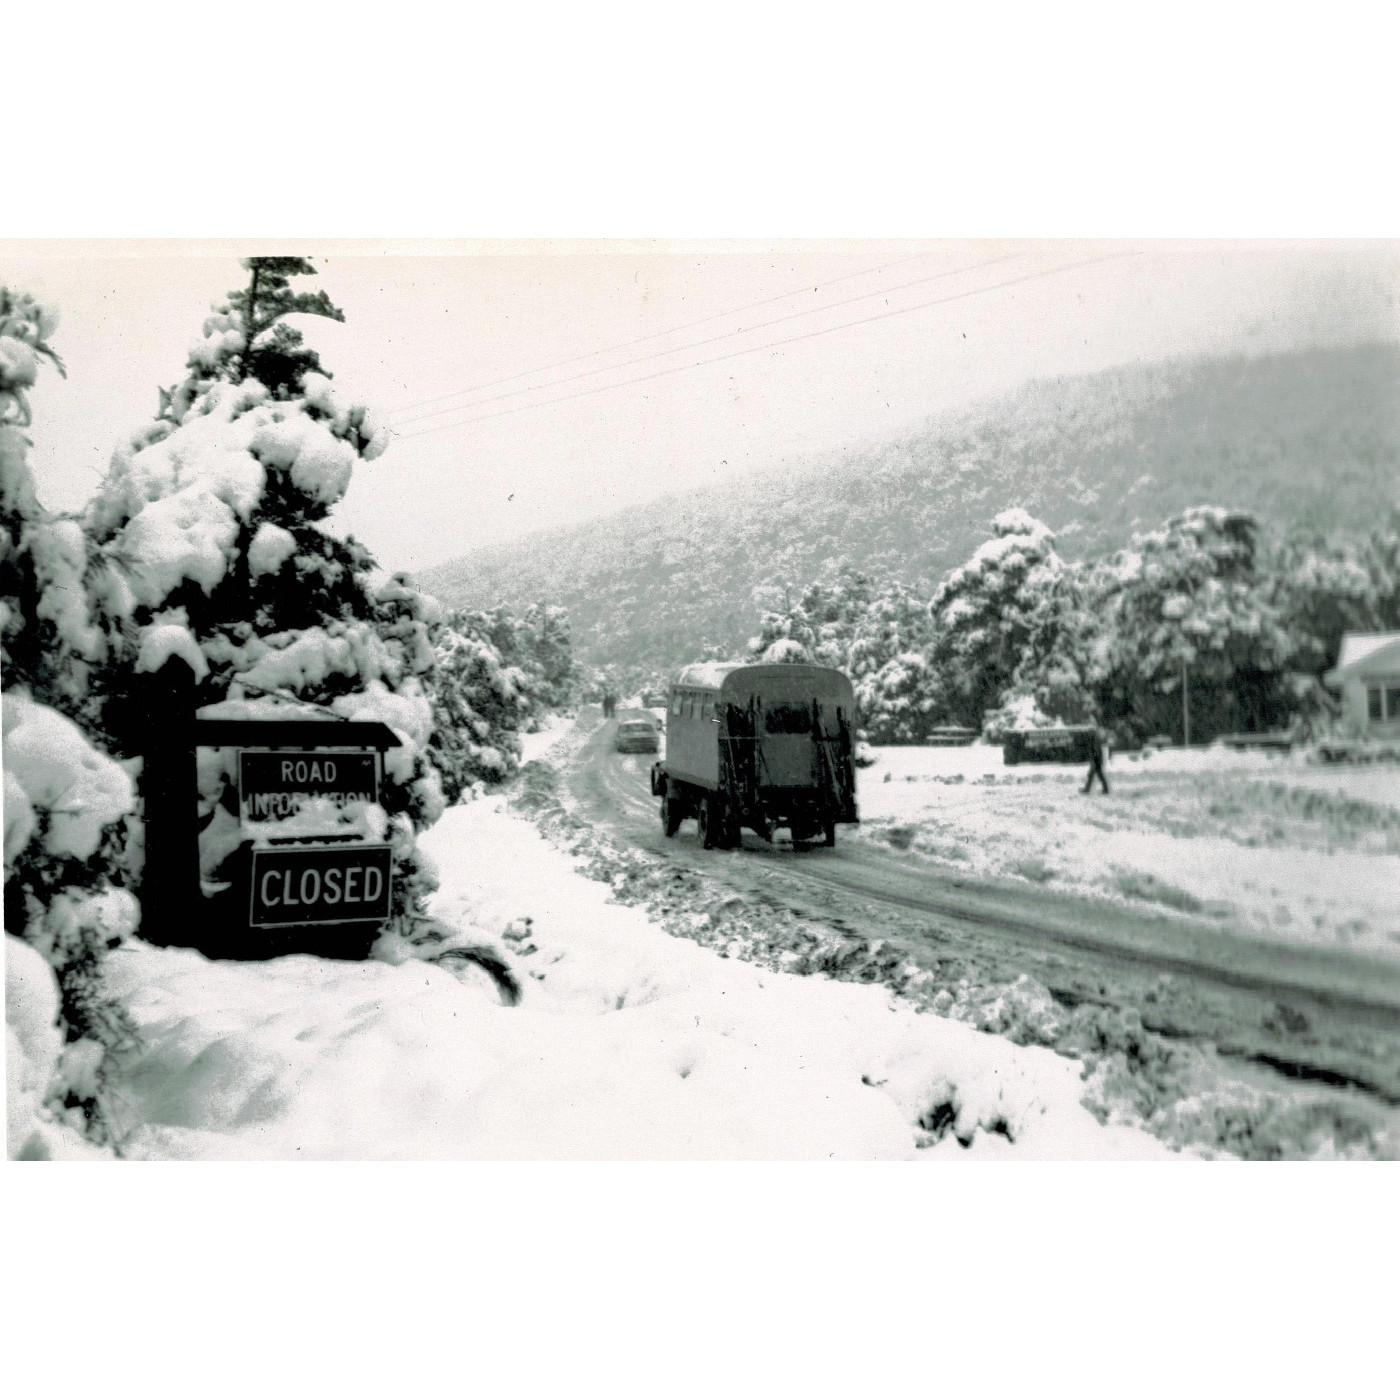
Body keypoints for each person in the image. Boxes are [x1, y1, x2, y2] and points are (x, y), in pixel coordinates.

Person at [1082, 724, 1110, 795]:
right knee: (1096, 775)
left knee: (1093, 775)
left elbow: (1095, 751)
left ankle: (1087, 789)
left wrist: (1094, 761)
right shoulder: (1094, 738)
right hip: (1097, 760)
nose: (1088, 733)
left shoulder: (1094, 739)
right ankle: (1105, 789)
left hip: (1096, 760)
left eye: (1090, 731)